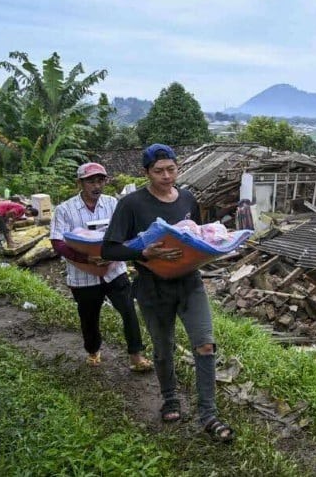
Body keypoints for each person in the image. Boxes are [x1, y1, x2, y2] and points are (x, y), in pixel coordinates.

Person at [101, 144, 234, 442]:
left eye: (171, 169)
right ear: (146, 172)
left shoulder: (187, 198)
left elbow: (197, 236)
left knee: (205, 344)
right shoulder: (132, 204)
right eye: (159, 171)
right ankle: (170, 398)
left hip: (189, 283)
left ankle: (208, 414)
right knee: (163, 349)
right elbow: (109, 249)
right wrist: (142, 252)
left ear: (177, 168)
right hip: (152, 287)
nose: (166, 176)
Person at [50, 162, 153, 372]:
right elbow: (57, 242)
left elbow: (126, 232)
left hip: (114, 270)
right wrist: (85, 258)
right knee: (89, 317)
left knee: (128, 311)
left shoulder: (113, 204)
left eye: (100, 181)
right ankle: (93, 350)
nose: (97, 186)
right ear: (80, 183)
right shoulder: (65, 209)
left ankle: (136, 355)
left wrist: (116, 253)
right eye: (91, 181)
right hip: (83, 275)